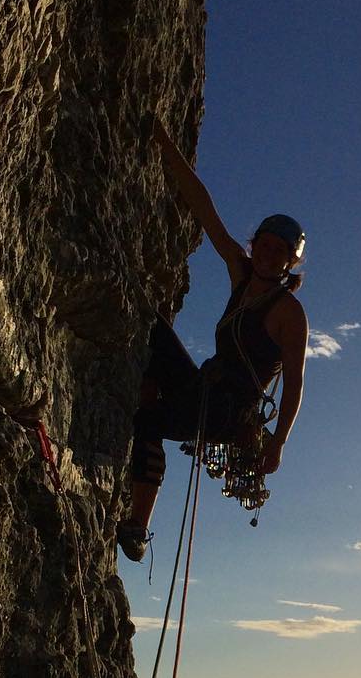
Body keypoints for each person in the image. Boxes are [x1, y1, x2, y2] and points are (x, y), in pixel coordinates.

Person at [117, 117, 309, 561]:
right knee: (150, 326)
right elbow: (206, 212)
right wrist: (165, 144)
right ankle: (150, 391)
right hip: (204, 386)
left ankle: (137, 528)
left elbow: (295, 383)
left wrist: (277, 443)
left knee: (147, 424)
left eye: (278, 251)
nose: (266, 253)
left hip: (226, 412)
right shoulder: (241, 276)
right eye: (263, 244)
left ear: (288, 263)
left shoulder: (288, 314)